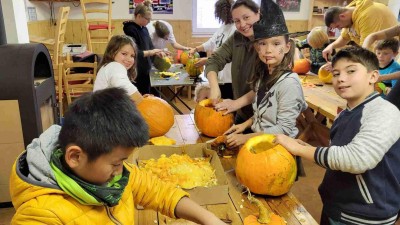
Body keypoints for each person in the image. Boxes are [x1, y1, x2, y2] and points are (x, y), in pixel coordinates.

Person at [9, 87, 227, 225]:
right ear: (75, 157)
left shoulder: (114, 174)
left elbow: (159, 191)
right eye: (117, 163)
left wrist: (208, 218)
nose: (122, 170)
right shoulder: (40, 215)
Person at [274, 46, 400, 225]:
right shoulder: (345, 114)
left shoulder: (384, 112)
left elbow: (356, 159)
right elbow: (338, 156)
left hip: (365, 215)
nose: (341, 78)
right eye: (336, 73)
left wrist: (297, 149)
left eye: (351, 71)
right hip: (338, 206)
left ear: (373, 76)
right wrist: (309, 148)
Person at [216, 0, 307, 148]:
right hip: (260, 143)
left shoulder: (289, 83)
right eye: (263, 44)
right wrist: (244, 125)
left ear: (286, 47)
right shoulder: (263, 77)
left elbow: (283, 129)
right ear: (257, 47)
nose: (268, 50)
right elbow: (263, 113)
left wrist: (246, 138)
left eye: (276, 43)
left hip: (278, 151)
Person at [205, 0, 261, 125]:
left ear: (258, 14)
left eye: (246, 17)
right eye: (236, 21)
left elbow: (266, 86)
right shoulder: (237, 37)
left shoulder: (269, 41)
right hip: (241, 112)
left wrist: (236, 103)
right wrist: (214, 87)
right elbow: (214, 60)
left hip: (264, 117)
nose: (242, 24)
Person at [190, 0, 236, 100]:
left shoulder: (235, 29)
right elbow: (211, 42)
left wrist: (207, 60)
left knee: (229, 105)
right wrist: (196, 49)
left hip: (230, 77)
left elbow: (232, 54)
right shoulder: (223, 27)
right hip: (220, 76)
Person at [322, 0, 397, 61]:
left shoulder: (367, 15)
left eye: (338, 26)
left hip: (389, 51)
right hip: (377, 50)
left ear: (342, 16)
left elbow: (367, 48)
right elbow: (345, 37)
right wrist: (331, 46)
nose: (339, 29)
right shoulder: (348, 14)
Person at [123, 0, 165, 95]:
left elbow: (150, 46)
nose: (149, 22)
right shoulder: (130, 29)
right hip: (136, 71)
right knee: (139, 98)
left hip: (146, 70)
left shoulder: (144, 29)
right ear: (139, 16)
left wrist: (158, 52)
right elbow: (134, 53)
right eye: (147, 19)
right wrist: (151, 52)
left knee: (150, 95)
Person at [93, 35, 144, 104]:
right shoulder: (115, 66)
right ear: (112, 53)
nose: (129, 59)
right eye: (124, 54)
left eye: (132, 56)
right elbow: (126, 87)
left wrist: (143, 98)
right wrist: (143, 102)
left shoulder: (108, 66)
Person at [362, 24, 400, 109]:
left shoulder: (395, 69)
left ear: (395, 54)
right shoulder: (373, 64)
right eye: (378, 53)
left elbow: (393, 92)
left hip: (383, 103)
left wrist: (387, 89)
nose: (380, 56)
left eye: (385, 54)